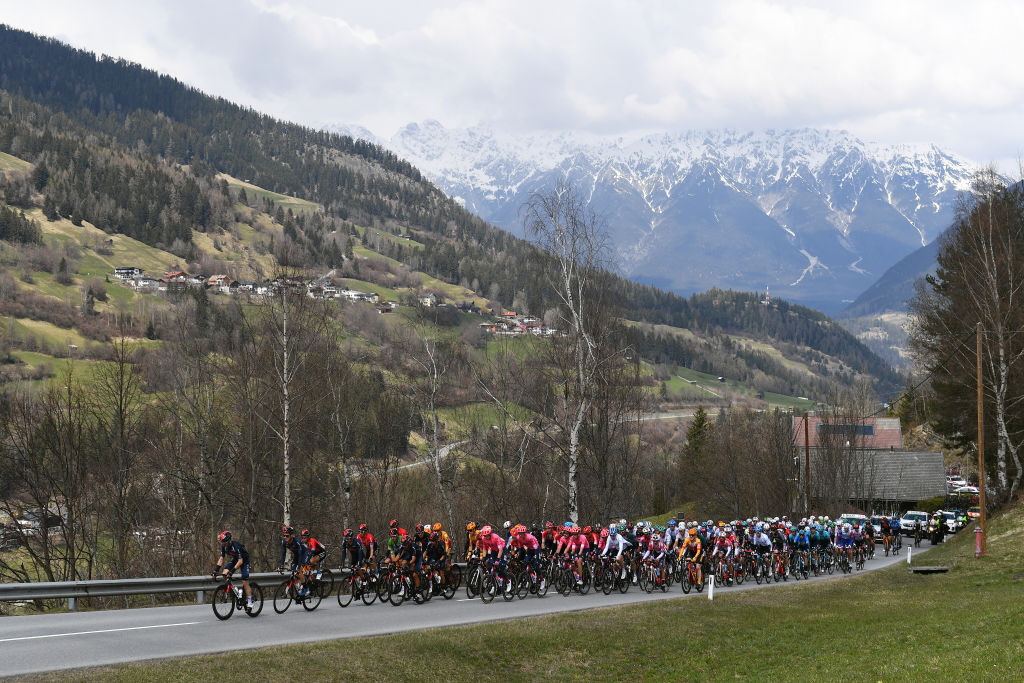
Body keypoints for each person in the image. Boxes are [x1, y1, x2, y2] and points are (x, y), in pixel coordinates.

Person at [214, 531, 253, 608]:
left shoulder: (236, 546)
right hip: (236, 559)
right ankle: (235, 591)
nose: (223, 545)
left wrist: (232, 572)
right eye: (222, 543)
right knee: (224, 573)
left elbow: (241, 561)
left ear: (229, 540)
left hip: (244, 561)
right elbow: (221, 558)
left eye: (225, 543)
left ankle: (250, 601)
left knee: (245, 581)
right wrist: (215, 570)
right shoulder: (224, 545)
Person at [278, 525, 309, 595]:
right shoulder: (284, 542)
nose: (285, 537)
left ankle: (306, 588)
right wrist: (281, 565)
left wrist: (299, 566)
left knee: (299, 570)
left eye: (287, 536)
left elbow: (301, 555)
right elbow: (283, 554)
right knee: (293, 571)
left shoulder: (297, 542)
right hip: (297, 555)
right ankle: (299, 585)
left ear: (292, 535)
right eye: (284, 536)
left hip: (304, 554)